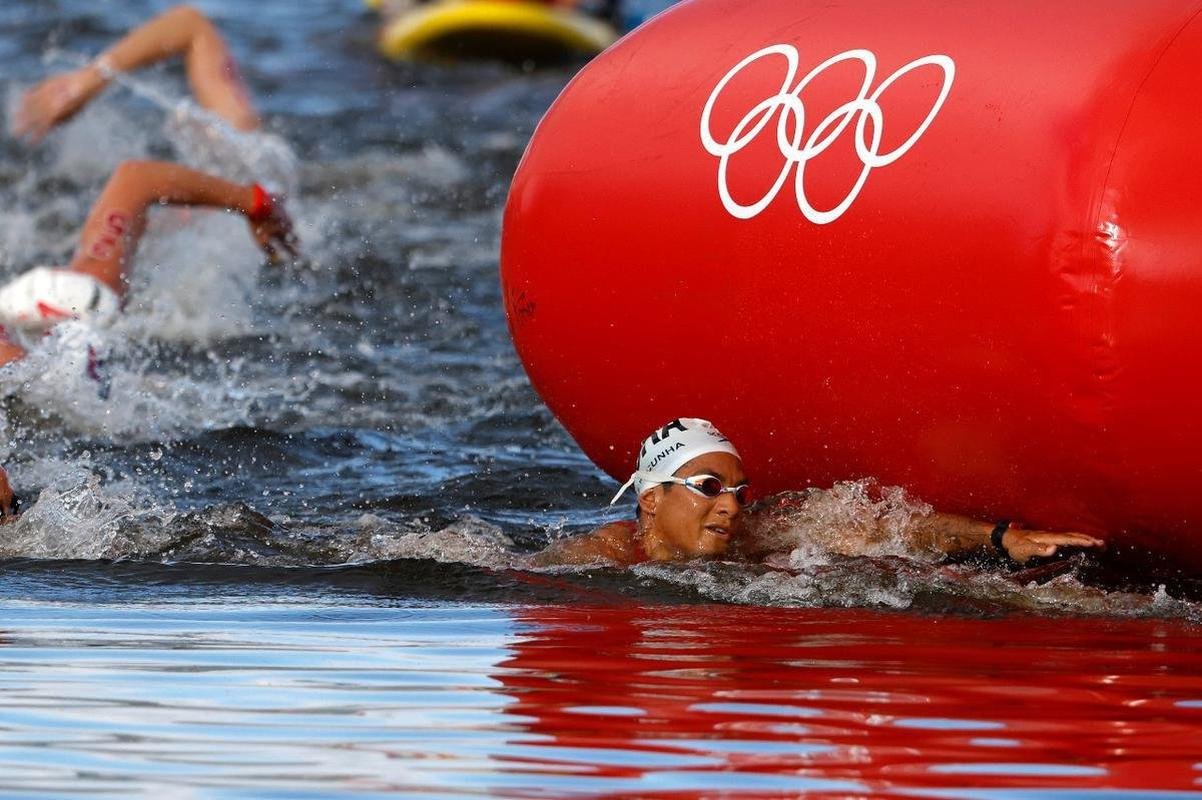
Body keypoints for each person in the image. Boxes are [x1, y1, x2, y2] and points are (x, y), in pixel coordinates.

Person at [532, 417, 1105, 567]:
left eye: (739, 491)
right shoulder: (601, 556)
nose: (731, 505)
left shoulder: (761, 534)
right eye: (709, 487)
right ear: (651, 499)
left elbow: (889, 528)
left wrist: (1003, 536)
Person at [0, 158, 297, 368]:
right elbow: (137, 176)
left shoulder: (70, 302)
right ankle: (254, 201)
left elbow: (16, 369)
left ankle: (253, 202)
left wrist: (257, 205)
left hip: (67, 314)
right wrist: (257, 203)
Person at [12, 4, 294, 193]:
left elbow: (193, 26)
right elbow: (191, 25)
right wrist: (85, 82)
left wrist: (84, 82)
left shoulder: (251, 170)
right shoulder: (250, 158)